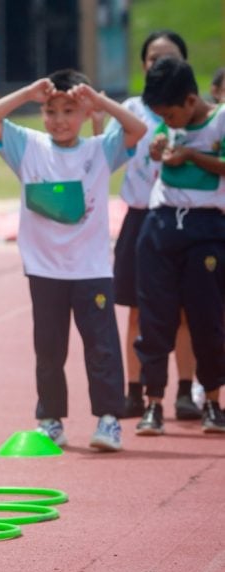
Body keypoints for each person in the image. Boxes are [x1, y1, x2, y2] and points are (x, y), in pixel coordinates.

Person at [0, 69, 147, 452]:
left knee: (101, 346)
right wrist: (26, 92)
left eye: (70, 111)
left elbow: (137, 129)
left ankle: (108, 420)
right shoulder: (27, 146)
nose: (60, 120)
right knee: (49, 348)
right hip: (44, 269)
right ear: (41, 114)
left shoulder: (99, 150)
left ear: (84, 113)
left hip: (91, 269)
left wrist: (100, 102)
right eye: (51, 111)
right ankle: (50, 419)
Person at [109, 31, 200, 421]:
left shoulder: (192, 112)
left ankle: (185, 392)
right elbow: (106, 156)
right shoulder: (132, 108)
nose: (158, 63)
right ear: (143, 64)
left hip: (184, 218)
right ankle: (134, 391)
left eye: (168, 56)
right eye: (151, 58)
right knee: (136, 312)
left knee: (185, 311)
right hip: (141, 216)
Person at [134, 56, 225, 435]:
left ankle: (214, 403)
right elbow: (161, 145)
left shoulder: (219, 119)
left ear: (191, 101)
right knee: (154, 317)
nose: (166, 122)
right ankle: (153, 403)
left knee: (207, 318)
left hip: (206, 228)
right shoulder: (167, 123)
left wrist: (191, 154)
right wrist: (159, 148)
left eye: (170, 115)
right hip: (161, 223)